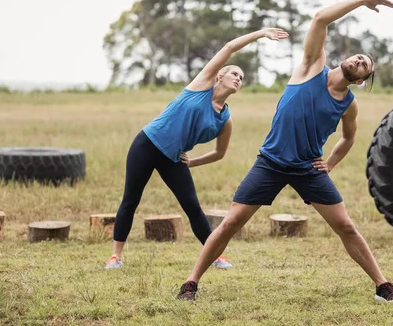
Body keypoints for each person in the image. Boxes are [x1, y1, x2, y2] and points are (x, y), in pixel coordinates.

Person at [176, 0, 393, 302]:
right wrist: (362, 1)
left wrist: (331, 164)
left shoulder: (349, 104)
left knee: (346, 226)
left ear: (361, 79)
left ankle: (382, 286)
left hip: (308, 168)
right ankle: (191, 283)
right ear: (347, 59)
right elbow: (321, 18)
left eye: (365, 65)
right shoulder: (312, 67)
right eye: (359, 57)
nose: (360, 61)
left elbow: (349, 138)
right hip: (270, 161)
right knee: (231, 222)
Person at [104, 27, 289, 270]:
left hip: (172, 157)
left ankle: (215, 256)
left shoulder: (225, 119)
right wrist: (261, 34)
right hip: (147, 143)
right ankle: (115, 256)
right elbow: (229, 48)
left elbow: (220, 153)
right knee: (130, 200)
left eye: (241, 78)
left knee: (192, 205)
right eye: (234, 73)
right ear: (220, 76)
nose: (238, 79)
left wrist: (192, 162)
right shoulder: (201, 84)